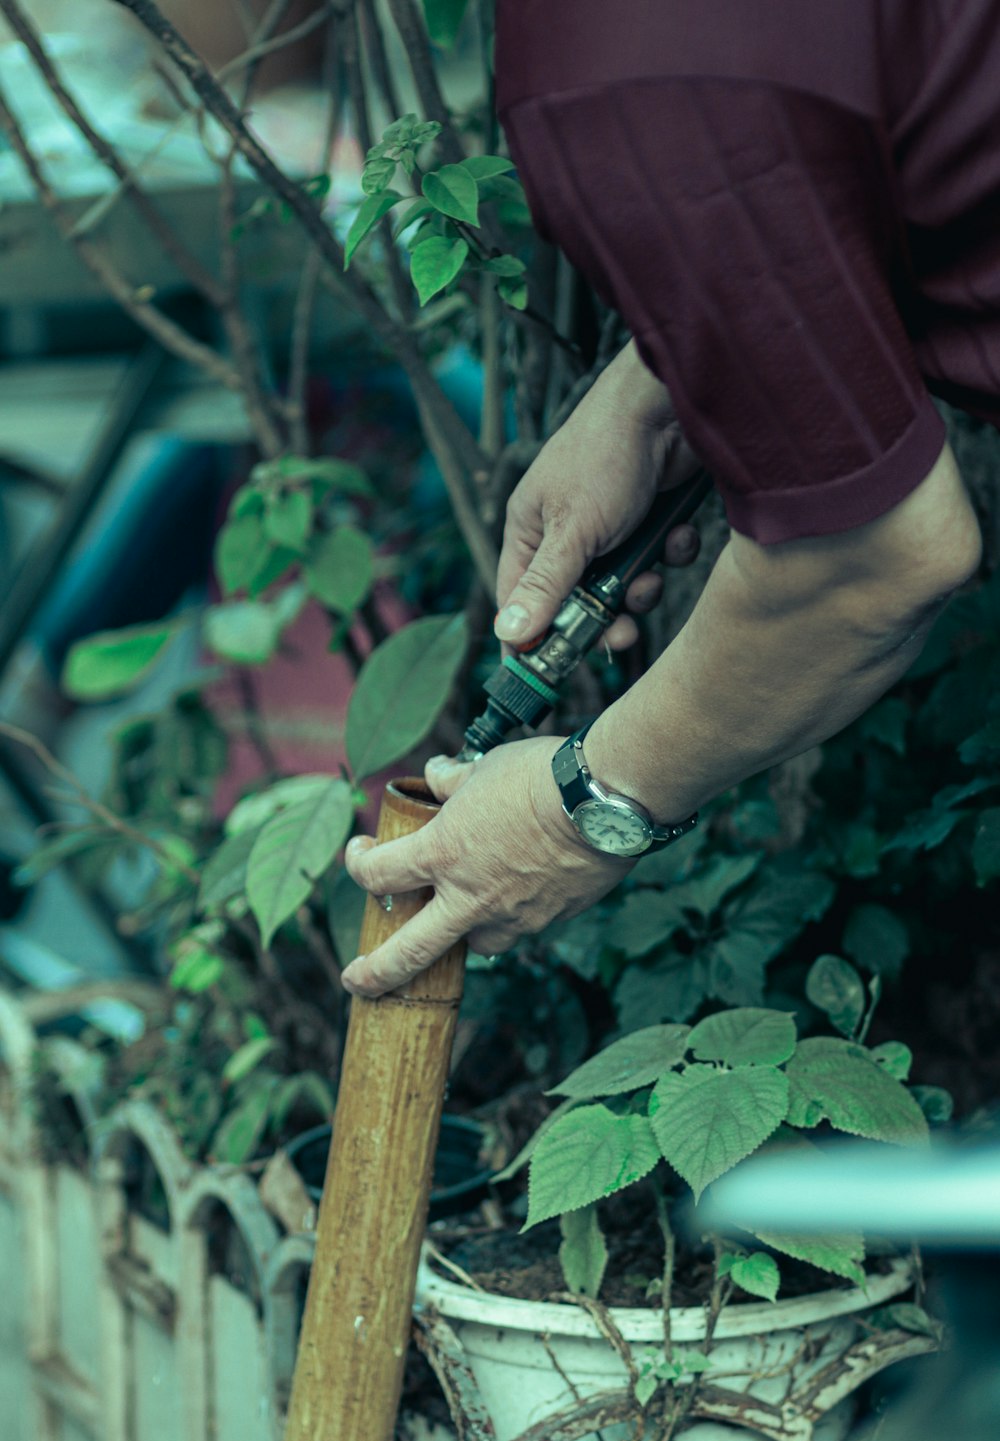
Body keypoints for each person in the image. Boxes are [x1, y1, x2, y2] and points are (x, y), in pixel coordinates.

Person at [341, 0, 997, 997]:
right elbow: (854, 117)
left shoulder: (612, 61)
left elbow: (879, 559)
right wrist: (661, 382)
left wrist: (582, 809)